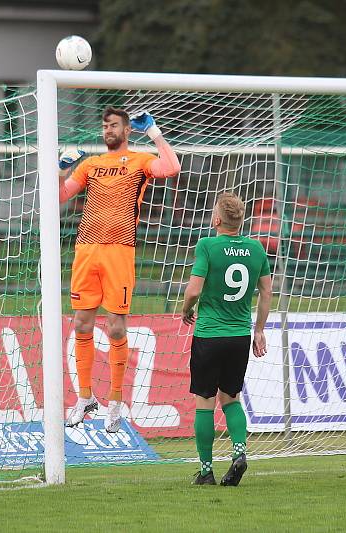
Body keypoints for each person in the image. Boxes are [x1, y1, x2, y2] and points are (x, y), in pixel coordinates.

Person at [60, 106, 181, 433]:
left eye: (114, 125)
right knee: (81, 324)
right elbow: (59, 196)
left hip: (119, 253)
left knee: (115, 328)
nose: (108, 130)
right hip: (86, 251)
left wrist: (153, 131)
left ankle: (114, 401)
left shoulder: (140, 160)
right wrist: (60, 169)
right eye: (105, 125)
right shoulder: (90, 165)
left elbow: (171, 166)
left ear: (127, 130)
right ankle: (85, 397)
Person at [181, 192, 272, 486]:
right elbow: (267, 292)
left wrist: (186, 309)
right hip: (239, 336)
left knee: (205, 401)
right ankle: (239, 453)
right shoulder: (256, 248)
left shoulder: (207, 245)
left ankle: (206, 471)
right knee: (231, 399)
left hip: (209, 334)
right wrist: (259, 329)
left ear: (217, 219)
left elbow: (194, 290)